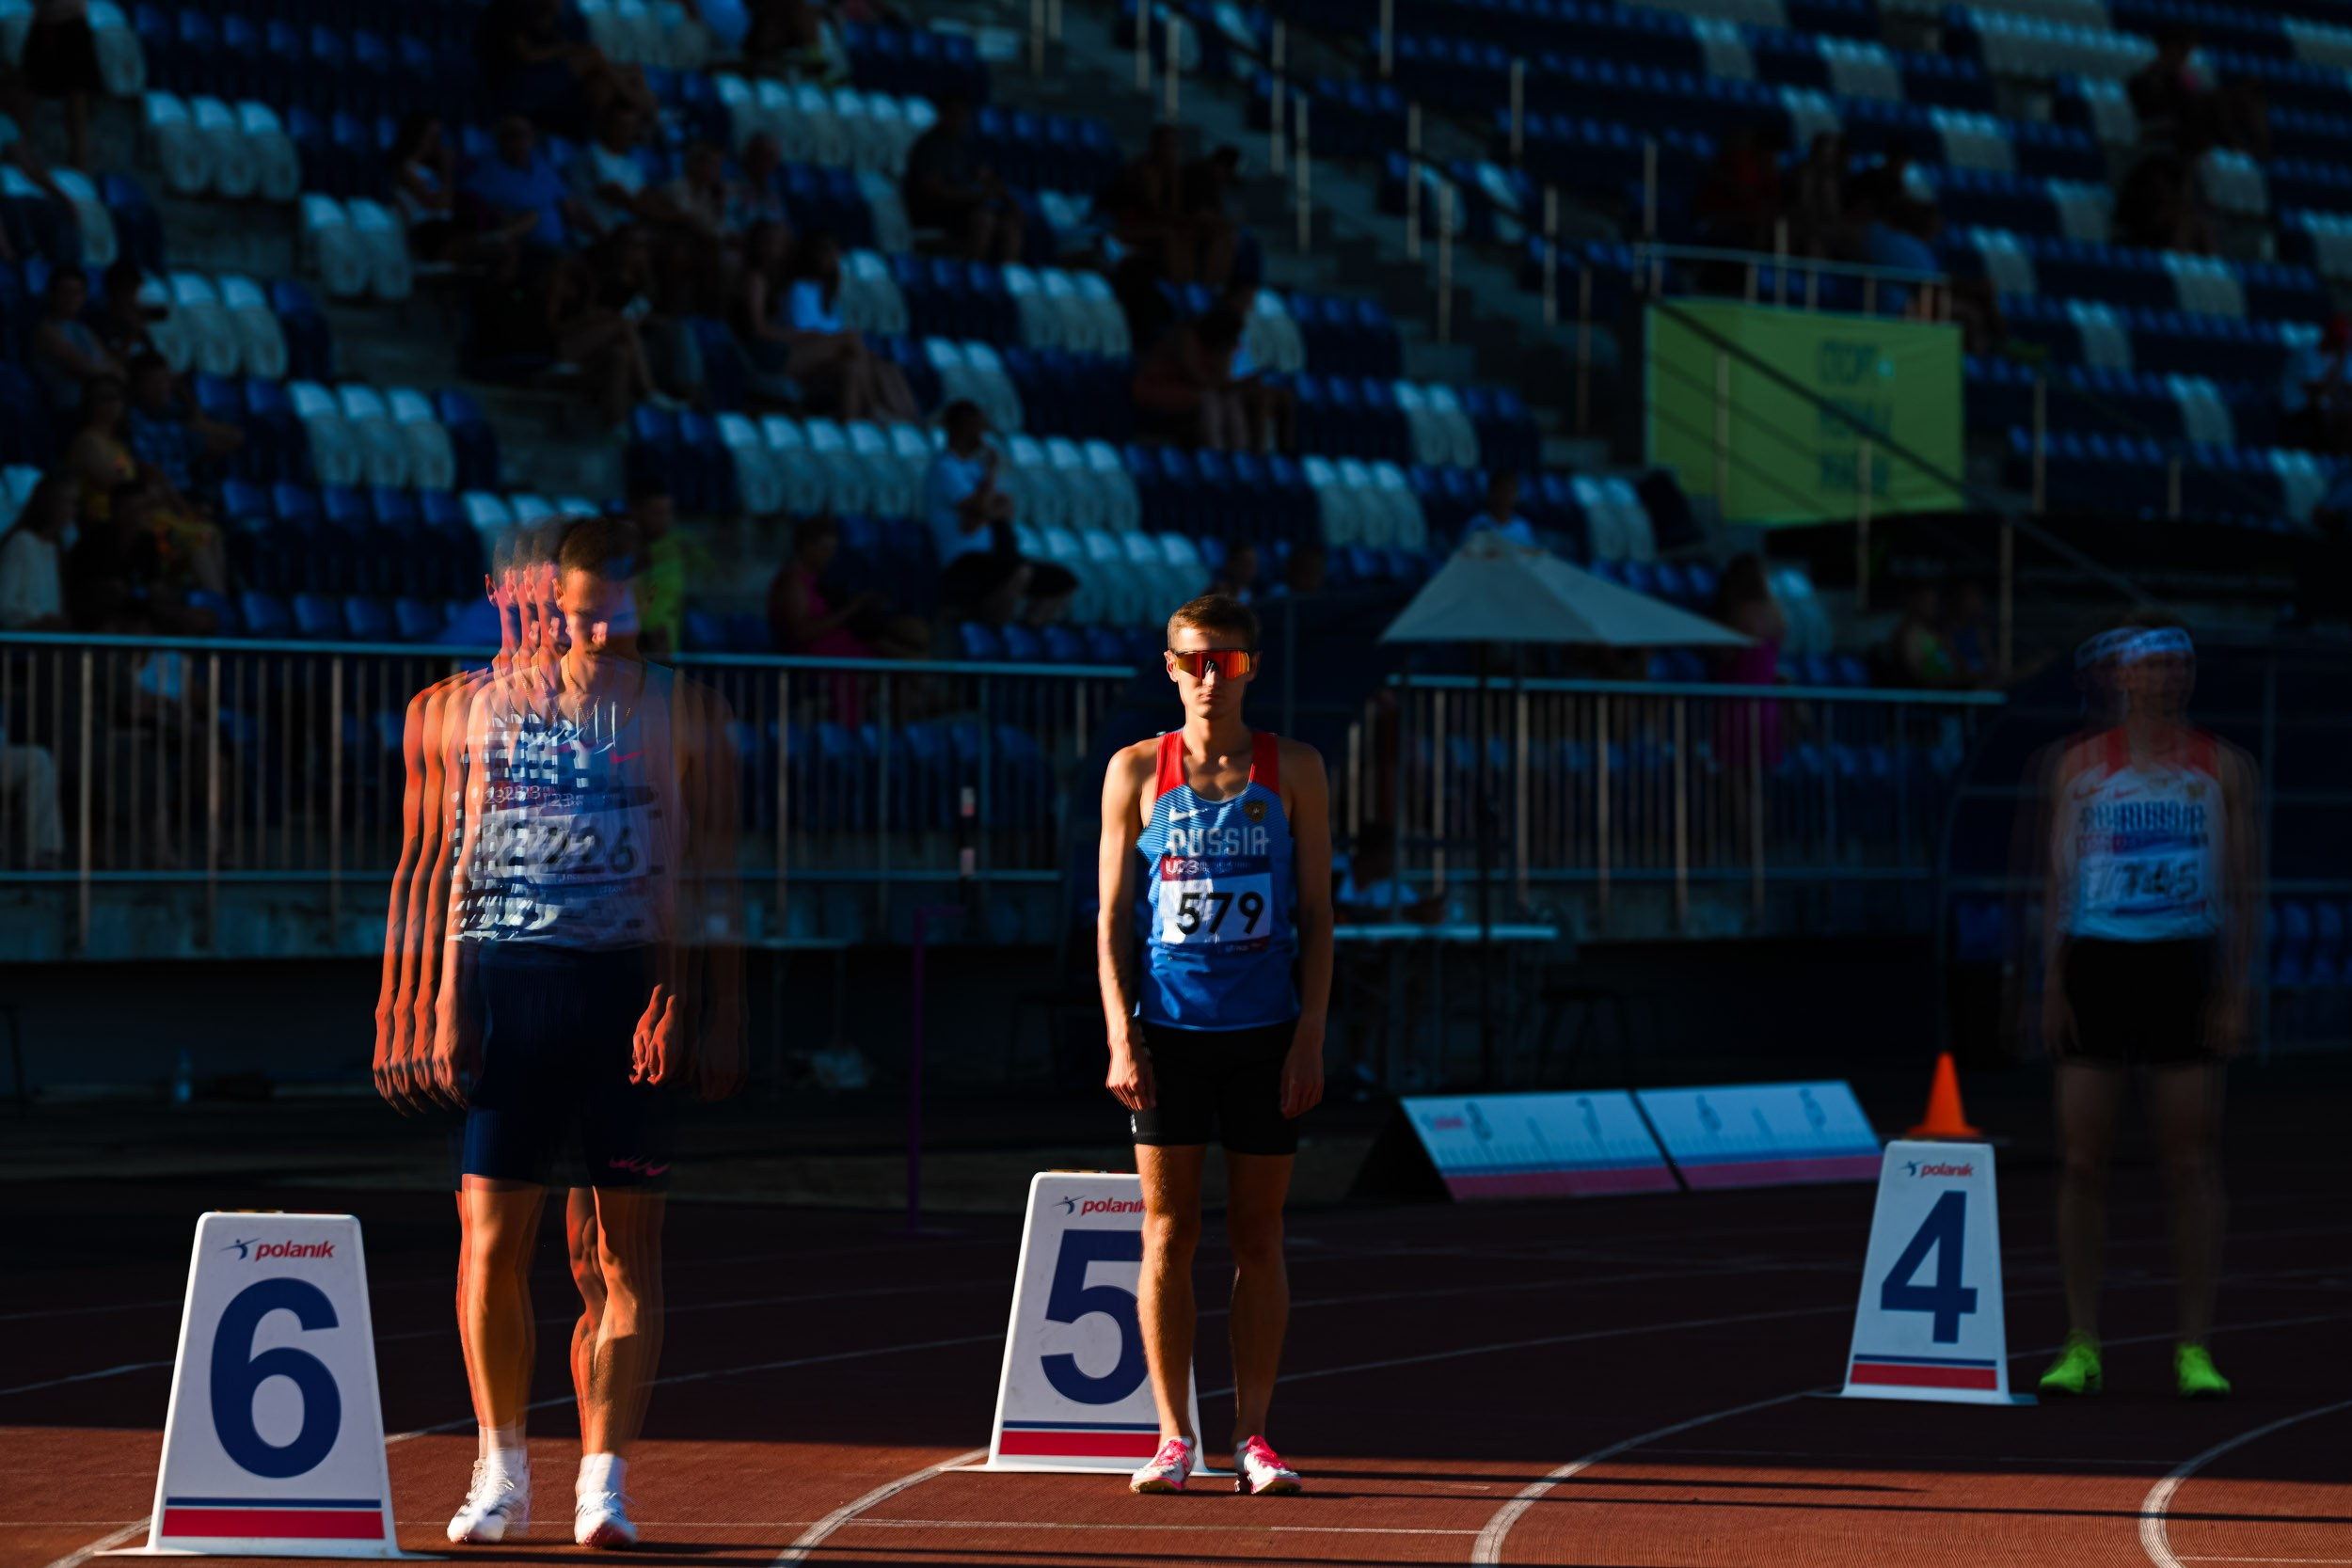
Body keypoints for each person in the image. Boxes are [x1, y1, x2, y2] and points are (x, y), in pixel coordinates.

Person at [425, 515, 741, 1548]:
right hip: (515, 985)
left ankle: (602, 1481)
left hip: (623, 991)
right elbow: (461, 858)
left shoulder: (683, 711)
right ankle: (499, 1468)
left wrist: (688, 997)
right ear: (556, 607)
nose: (606, 625)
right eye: (587, 607)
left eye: (624, 605)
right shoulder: (490, 710)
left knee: (621, 1251)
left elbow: (709, 874)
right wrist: (444, 997)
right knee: (491, 1244)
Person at [1095, 593, 1331, 1497]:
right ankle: (1171, 1435)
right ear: (1169, 666)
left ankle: (1255, 1435)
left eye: (1226, 662)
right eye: (1193, 660)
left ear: (1251, 668)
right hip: (1168, 1035)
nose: (1208, 677)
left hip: (1265, 1033)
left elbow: (1317, 912)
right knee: (1169, 1228)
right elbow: (1112, 919)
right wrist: (1120, 1034)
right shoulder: (1133, 771)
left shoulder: (1296, 769)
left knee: (1258, 1233)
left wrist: (1310, 1032)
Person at [2033, 622, 2255, 1402]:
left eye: (2178, 665)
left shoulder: (2221, 768)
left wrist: (2232, 986)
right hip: (2097, 957)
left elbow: (2244, 884)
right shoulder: (2079, 770)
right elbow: (2058, 880)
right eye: (2153, 665)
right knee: (2082, 1160)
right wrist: (2053, 980)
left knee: (2191, 1162)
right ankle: (2081, 1340)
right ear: (2121, 678)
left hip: (2183, 959)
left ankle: (2194, 1345)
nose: (2167, 678)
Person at [781, 231, 918, 421]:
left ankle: (909, 417)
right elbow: (806, 334)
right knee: (852, 344)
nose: (834, 257)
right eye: (827, 251)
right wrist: (839, 344)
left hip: (834, 357)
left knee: (883, 365)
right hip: (809, 360)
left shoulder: (828, 294)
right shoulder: (798, 289)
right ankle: (872, 409)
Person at [765, 513, 930, 657]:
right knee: (913, 660)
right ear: (807, 546)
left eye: (833, 549)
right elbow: (800, 633)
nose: (830, 555)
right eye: (825, 548)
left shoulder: (822, 578)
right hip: (825, 658)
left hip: (851, 642)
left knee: (916, 632)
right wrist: (851, 609)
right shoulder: (792, 582)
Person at [394, 114, 532, 269]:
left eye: (439, 136)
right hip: (430, 234)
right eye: (431, 135)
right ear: (417, 135)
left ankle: (496, 237)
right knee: (505, 254)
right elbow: (441, 206)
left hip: (448, 229)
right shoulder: (406, 170)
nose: (437, 142)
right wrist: (447, 169)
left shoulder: (430, 170)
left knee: (520, 231)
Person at [901, 95, 1023, 263]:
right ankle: (974, 272)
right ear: (943, 114)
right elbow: (933, 191)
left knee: (1009, 223)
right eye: (955, 114)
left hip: (964, 210)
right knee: (983, 219)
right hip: (936, 212)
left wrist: (1011, 202)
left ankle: (1008, 275)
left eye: (963, 115)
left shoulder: (965, 146)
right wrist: (974, 196)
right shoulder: (930, 146)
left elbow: (987, 176)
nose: (960, 120)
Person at [125, 351, 242, 511]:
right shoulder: (134, 420)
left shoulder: (176, 415)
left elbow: (234, 437)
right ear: (136, 386)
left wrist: (188, 398)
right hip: (160, 501)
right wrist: (185, 509)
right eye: (153, 381)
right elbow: (149, 471)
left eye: (165, 380)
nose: (161, 387)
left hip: (188, 492)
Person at [1133, 308, 1257, 451]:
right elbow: (1193, 377)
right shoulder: (1186, 337)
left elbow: (1222, 381)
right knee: (1210, 400)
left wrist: (1226, 359)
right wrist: (1231, 384)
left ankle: (1239, 453)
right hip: (1155, 386)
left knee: (1230, 399)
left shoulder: (1220, 349)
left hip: (1188, 390)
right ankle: (1214, 452)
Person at [468, 118, 594, 257]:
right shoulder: (489, 171)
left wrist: (603, 236)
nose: (517, 142)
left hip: (560, 246)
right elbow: (471, 203)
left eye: (523, 135)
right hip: (524, 249)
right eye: (510, 136)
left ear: (532, 138)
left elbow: (572, 208)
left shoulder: (542, 165)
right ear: (499, 141)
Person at [1711, 552, 1785, 771]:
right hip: (1765, 701)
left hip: (1740, 702)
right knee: (1755, 775)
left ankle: (1744, 807)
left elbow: (1724, 653)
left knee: (1734, 773)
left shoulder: (1739, 614)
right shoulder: (1775, 614)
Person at [19, 0, 98, 169]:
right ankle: (19, 164)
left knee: (76, 115)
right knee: (23, 109)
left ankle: (80, 174)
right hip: (44, 26)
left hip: (72, 29)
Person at [30, 265, 119, 415]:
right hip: (68, 411)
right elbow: (86, 370)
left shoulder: (85, 330)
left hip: (94, 409)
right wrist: (107, 372)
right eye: (66, 292)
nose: (72, 298)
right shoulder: (46, 330)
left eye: (77, 292)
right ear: (52, 294)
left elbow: (114, 367)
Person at [0, 473, 74, 630]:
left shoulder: (55, 547)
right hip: (23, 643)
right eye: (67, 502)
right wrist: (38, 621)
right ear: (49, 503)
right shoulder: (21, 542)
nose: (72, 510)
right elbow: (5, 604)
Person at [2280, 314, 2352, 454]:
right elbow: (2316, 394)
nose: (2337, 344)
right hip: (2296, 410)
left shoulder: (2336, 357)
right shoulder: (2307, 353)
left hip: (2317, 413)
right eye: (2336, 339)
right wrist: (2340, 364)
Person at [1465, 470, 1537, 547]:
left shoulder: (1522, 527)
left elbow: (1533, 555)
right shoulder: (1477, 525)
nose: (1506, 496)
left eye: (1511, 490)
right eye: (1502, 490)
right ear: (1491, 492)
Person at [1207, 538, 1257, 603]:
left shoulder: (1249, 594)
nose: (1249, 569)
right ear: (1230, 563)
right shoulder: (1215, 594)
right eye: (1244, 564)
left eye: (1253, 564)